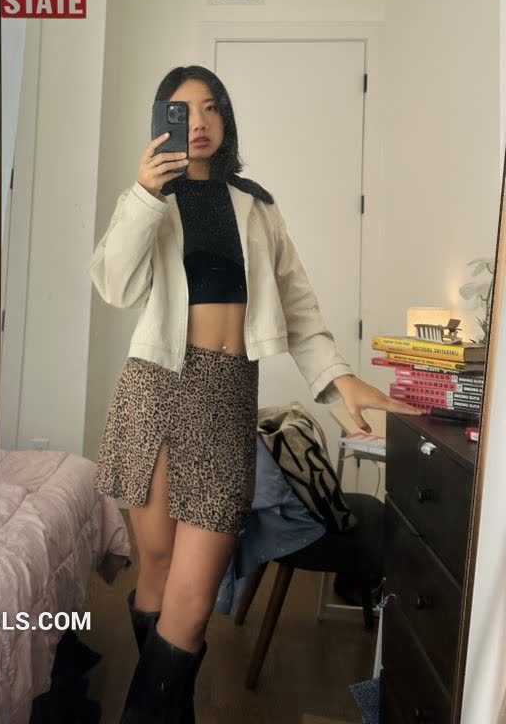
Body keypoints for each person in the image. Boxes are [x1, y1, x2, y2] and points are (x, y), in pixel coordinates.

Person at [89, 65, 422, 724]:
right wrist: (144, 194)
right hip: (155, 386)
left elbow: (298, 306)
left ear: (226, 119)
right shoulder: (151, 201)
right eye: (183, 110)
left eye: (211, 107)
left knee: (191, 602)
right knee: (157, 567)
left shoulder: (257, 206)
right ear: (162, 122)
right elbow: (114, 285)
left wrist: (338, 378)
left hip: (226, 394)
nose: (200, 121)